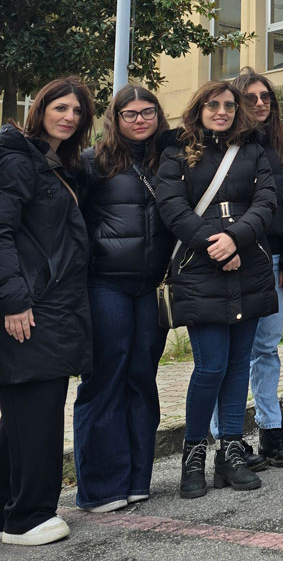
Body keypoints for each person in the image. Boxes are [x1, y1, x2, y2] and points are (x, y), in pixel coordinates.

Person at [155, 81, 278, 499]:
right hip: (200, 269)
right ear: (199, 108)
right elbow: (173, 209)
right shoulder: (176, 153)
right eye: (214, 104)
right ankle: (193, 456)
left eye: (229, 105)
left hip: (249, 267)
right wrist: (217, 245)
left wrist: (238, 238)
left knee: (239, 364)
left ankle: (231, 453)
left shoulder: (253, 149)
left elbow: (266, 201)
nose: (222, 111)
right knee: (210, 366)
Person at [0, 77, 94, 546]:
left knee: (25, 412)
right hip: (31, 307)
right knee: (35, 413)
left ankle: (12, 508)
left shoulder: (53, 163)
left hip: (52, 306)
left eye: (77, 112)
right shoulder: (18, 160)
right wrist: (13, 299)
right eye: (60, 107)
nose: (69, 117)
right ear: (39, 108)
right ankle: (26, 517)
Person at [74, 85, 174, 514]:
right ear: (114, 119)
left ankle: (137, 478)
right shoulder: (92, 162)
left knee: (142, 378)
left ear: (157, 115)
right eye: (129, 113)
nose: (139, 119)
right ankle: (98, 487)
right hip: (106, 284)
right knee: (105, 379)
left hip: (150, 286)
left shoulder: (169, 160)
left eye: (147, 112)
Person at [208, 69, 283, 469]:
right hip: (231, 260)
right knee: (229, 353)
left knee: (266, 348)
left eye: (266, 96)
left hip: (275, 260)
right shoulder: (219, 147)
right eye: (250, 98)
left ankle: (270, 428)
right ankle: (224, 437)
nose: (261, 103)